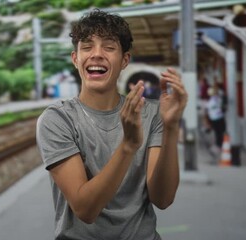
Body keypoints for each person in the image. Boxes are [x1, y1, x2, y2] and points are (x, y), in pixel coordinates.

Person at [36, 9, 188, 240]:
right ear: (75, 59)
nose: (96, 54)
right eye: (87, 46)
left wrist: (171, 127)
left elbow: (163, 199)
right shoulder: (57, 119)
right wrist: (128, 145)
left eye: (109, 47)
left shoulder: (151, 113)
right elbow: (85, 210)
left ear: (124, 60)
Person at [206, 84, 227, 149]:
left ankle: (220, 143)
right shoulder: (213, 100)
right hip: (216, 117)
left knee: (219, 131)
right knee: (219, 131)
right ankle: (219, 143)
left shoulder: (217, 98)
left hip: (217, 117)